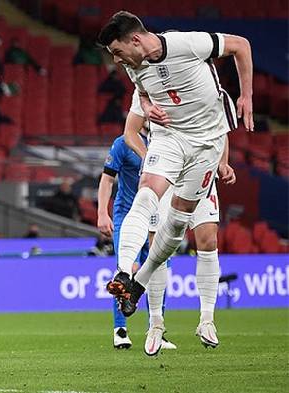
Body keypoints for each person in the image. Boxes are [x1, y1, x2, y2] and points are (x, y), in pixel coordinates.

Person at [98, 11, 252, 348]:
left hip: (206, 145)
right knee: (146, 193)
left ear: (135, 40)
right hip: (169, 138)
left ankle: (140, 284)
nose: (116, 59)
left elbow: (241, 45)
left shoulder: (186, 43)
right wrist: (146, 105)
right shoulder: (132, 64)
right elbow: (141, 92)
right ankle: (125, 273)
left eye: (118, 51)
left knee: (179, 227)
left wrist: (246, 95)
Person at [124, 91, 236, 353]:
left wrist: (223, 162)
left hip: (201, 169)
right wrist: (152, 161)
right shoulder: (147, 83)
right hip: (167, 174)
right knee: (158, 249)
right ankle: (155, 324)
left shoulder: (204, 80)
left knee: (208, 240)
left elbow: (220, 127)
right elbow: (131, 131)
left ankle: (207, 320)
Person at [97, 93, 175, 352]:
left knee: (156, 268)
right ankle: (120, 329)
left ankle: (157, 330)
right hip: (125, 214)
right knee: (126, 270)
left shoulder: (168, 146)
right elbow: (107, 179)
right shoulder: (124, 143)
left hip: (157, 216)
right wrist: (102, 213)